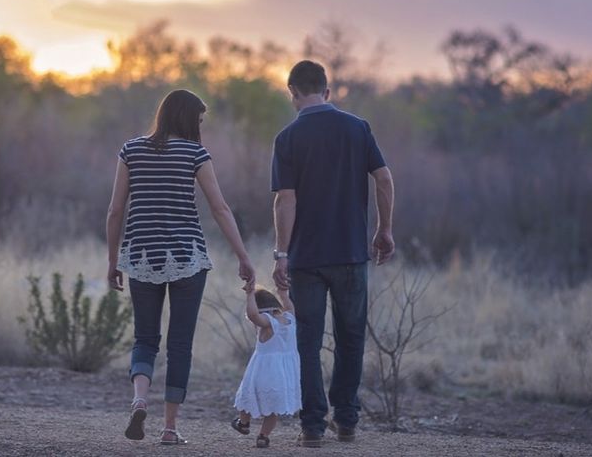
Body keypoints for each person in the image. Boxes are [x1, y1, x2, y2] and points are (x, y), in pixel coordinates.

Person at [106, 89, 256, 445]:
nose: (201, 127)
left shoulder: (131, 150)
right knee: (180, 345)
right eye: (199, 120)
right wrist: (243, 256)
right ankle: (170, 429)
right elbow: (219, 209)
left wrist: (113, 261)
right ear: (188, 119)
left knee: (145, 338)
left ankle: (140, 398)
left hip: (141, 256)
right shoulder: (195, 153)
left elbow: (115, 211)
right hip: (187, 257)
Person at [270, 60, 395, 447]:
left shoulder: (287, 138)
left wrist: (281, 253)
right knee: (351, 337)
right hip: (351, 254)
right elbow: (384, 179)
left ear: (292, 93)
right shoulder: (357, 128)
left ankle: (311, 426)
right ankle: (346, 421)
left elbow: (284, 201)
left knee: (307, 341)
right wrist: (384, 229)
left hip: (306, 259)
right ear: (327, 91)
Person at [231, 287, 302, 448]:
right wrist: (283, 293)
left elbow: (253, 315)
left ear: (262, 310)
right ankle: (263, 436)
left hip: (263, 372)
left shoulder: (268, 323)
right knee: (273, 408)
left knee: (247, 397)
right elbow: (289, 306)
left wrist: (249, 295)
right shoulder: (290, 318)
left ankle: (243, 423)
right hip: (284, 374)